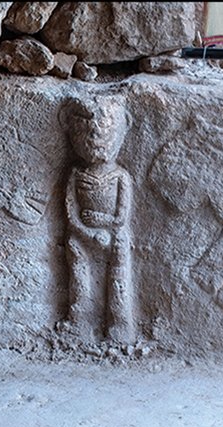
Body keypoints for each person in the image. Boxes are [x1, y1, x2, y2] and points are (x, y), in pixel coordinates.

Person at [64, 96, 137, 345]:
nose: (96, 137)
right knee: (79, 271)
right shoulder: (75, 175)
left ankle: (119, 322)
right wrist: (89, 233)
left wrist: (100, 221)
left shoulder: (120, 176)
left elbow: (121, 217)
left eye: (105, 130)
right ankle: (80, 320)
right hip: (84, 236)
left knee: (118, 275)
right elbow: (71, 216)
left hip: (113, 234)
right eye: (87, 131)